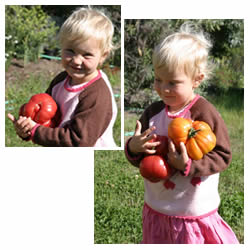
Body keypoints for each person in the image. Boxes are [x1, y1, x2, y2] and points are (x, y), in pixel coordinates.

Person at [125, 23, 239, 244]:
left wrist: (187, 165)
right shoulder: (153, 112)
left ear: (197, 80)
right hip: (157, 206)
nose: (163, 88)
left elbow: (223, 155)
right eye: (158, 79)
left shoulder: (204, 113)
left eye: (173, 83)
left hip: (192, 212)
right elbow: (138, 151)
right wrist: (134, 147)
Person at [8, 7, 118, 147]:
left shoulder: (96, 95)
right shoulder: (61, 79)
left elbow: (78, 141)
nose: (76, 60)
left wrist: (36, 131)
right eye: (70, 51)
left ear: (103, 56)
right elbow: (46, 121)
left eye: (86, 55)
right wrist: (28, 128)